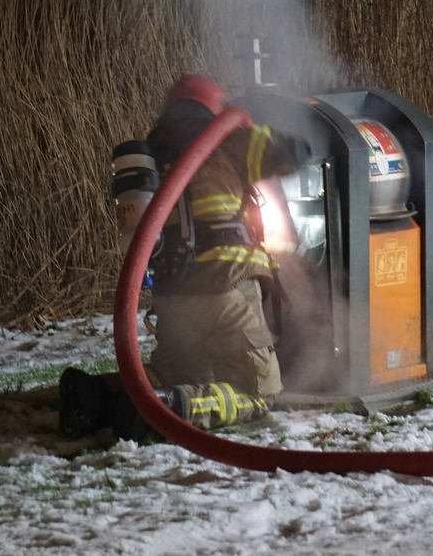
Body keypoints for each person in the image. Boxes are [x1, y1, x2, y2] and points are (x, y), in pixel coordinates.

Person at [59, 74, 311, 440]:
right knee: (258, 393)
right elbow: (297, 151)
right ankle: (159, 410)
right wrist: (251, 124)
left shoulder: (150, 155)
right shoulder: (228, 141)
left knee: (190, 377)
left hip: (172, 297)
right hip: (225, 288)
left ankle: (95, 397)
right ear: (215, 108)